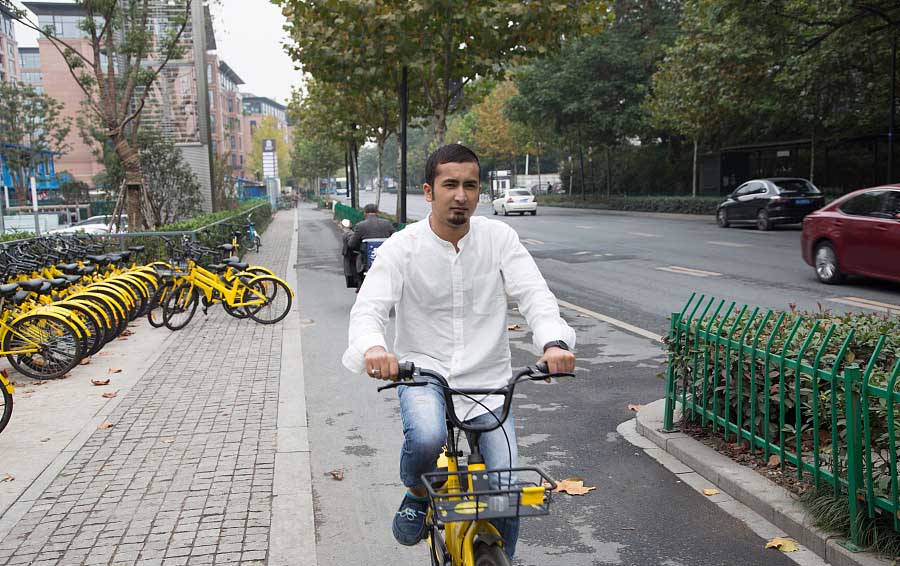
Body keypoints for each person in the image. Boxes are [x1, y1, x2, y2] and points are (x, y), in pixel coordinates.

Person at [341, 144, 576, 559]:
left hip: (489, 380)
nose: (461, 195)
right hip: (422, 374)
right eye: (450, 185)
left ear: (479, 191)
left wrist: (553, 342)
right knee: (427, 437)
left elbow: (535, 295)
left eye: (470, 185)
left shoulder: (499, 239)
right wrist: (375, 349)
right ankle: (417, 492)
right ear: (428, 192)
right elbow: (369, 308)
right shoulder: (402, 246)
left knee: (505, 489)